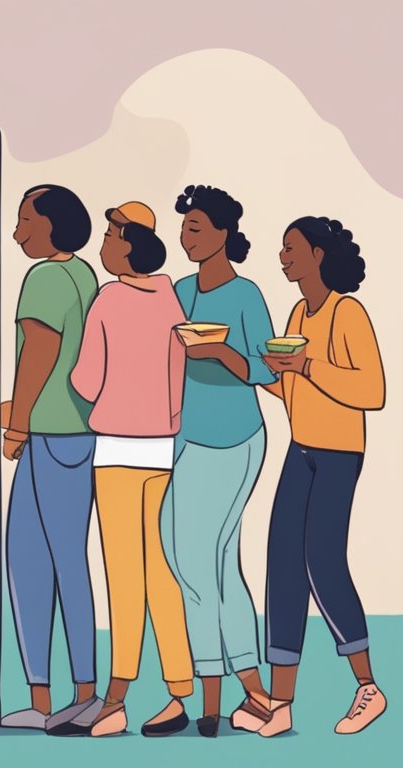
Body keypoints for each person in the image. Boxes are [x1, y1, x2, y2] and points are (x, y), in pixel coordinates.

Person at [258, 216, 385, 736]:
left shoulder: (346, 311)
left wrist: (307, 365)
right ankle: (281, 702)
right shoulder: (297, 311)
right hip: (302, 448)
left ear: (317, 255)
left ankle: (368, 687)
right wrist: (259, 373)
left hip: (338, 454)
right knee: (283, 564)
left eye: (291, 249)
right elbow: (295, 394)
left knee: (322, 562)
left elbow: (372, 392)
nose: (283, 256)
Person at [70, 201, 192, 738]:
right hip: (162, 450)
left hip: (117, 448)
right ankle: (177, 691)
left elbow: (86, 380)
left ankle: (116, 697)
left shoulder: (109, 298)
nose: (103, 242)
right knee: (163, 572)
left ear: (127, 243)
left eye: (110, 233)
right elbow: (180, 373)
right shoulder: (172, 299)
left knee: (124, 575)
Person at [159, 185, 276, 737]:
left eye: (198, 228)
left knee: (194, 565)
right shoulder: (179, 290)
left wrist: (223, 353)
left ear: (225, 234)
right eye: (184, 228)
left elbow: (271, 370)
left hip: (231, 439)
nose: (187, 237)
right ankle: (254, 688)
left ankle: (211, 696)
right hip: (185, 440)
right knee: (212, 564)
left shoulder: (245, 293)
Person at [0, 184, 100, 733]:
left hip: (48, 435)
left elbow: (39, 355)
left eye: (25, 221)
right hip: (75, 432)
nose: (17, 231)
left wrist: (16, 425)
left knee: (36, 565)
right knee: (60, 562)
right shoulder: (83, 274)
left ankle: (55, 695)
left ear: (51, 225)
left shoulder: (43, 279)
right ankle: (70, 693)